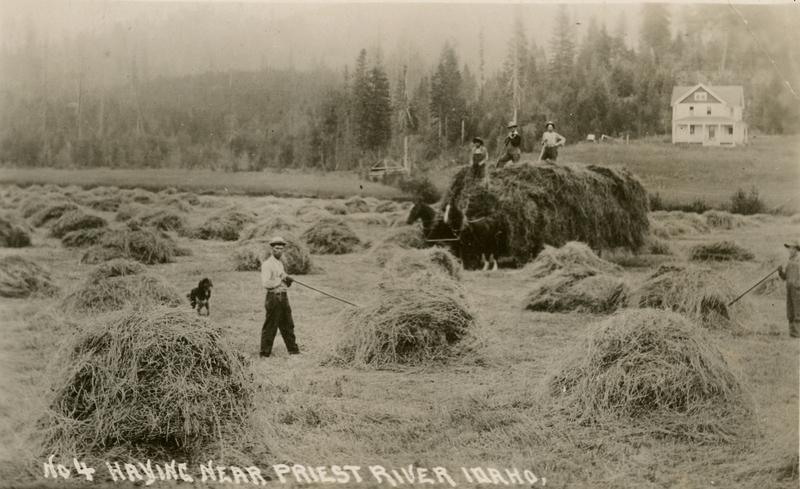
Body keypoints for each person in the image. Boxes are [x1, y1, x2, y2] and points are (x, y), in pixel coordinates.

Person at [260, 236, 301, 357]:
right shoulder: (267, 264)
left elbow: (282, 276)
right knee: (271, 326)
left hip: (283, 296)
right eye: (277, 248)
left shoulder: (279, 263)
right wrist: (280, 279)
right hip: (273, 297)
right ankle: (264, 353)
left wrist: (288, 279)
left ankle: (293, 350)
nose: (279, 251)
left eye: (282, 249)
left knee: (288, 324)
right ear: (271, 249)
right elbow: (266, 283)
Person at [778, 239, 800, 338]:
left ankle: (798, 334)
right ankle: (793, 334)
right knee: (790, 311)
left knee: (797, 311)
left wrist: (798, 285)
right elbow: (785, 277)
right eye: (789, 248)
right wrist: (780, 272)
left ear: (796, 249)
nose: (789, 250)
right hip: (789, 289)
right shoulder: (790, 261)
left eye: (791, 248)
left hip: (797, 290)